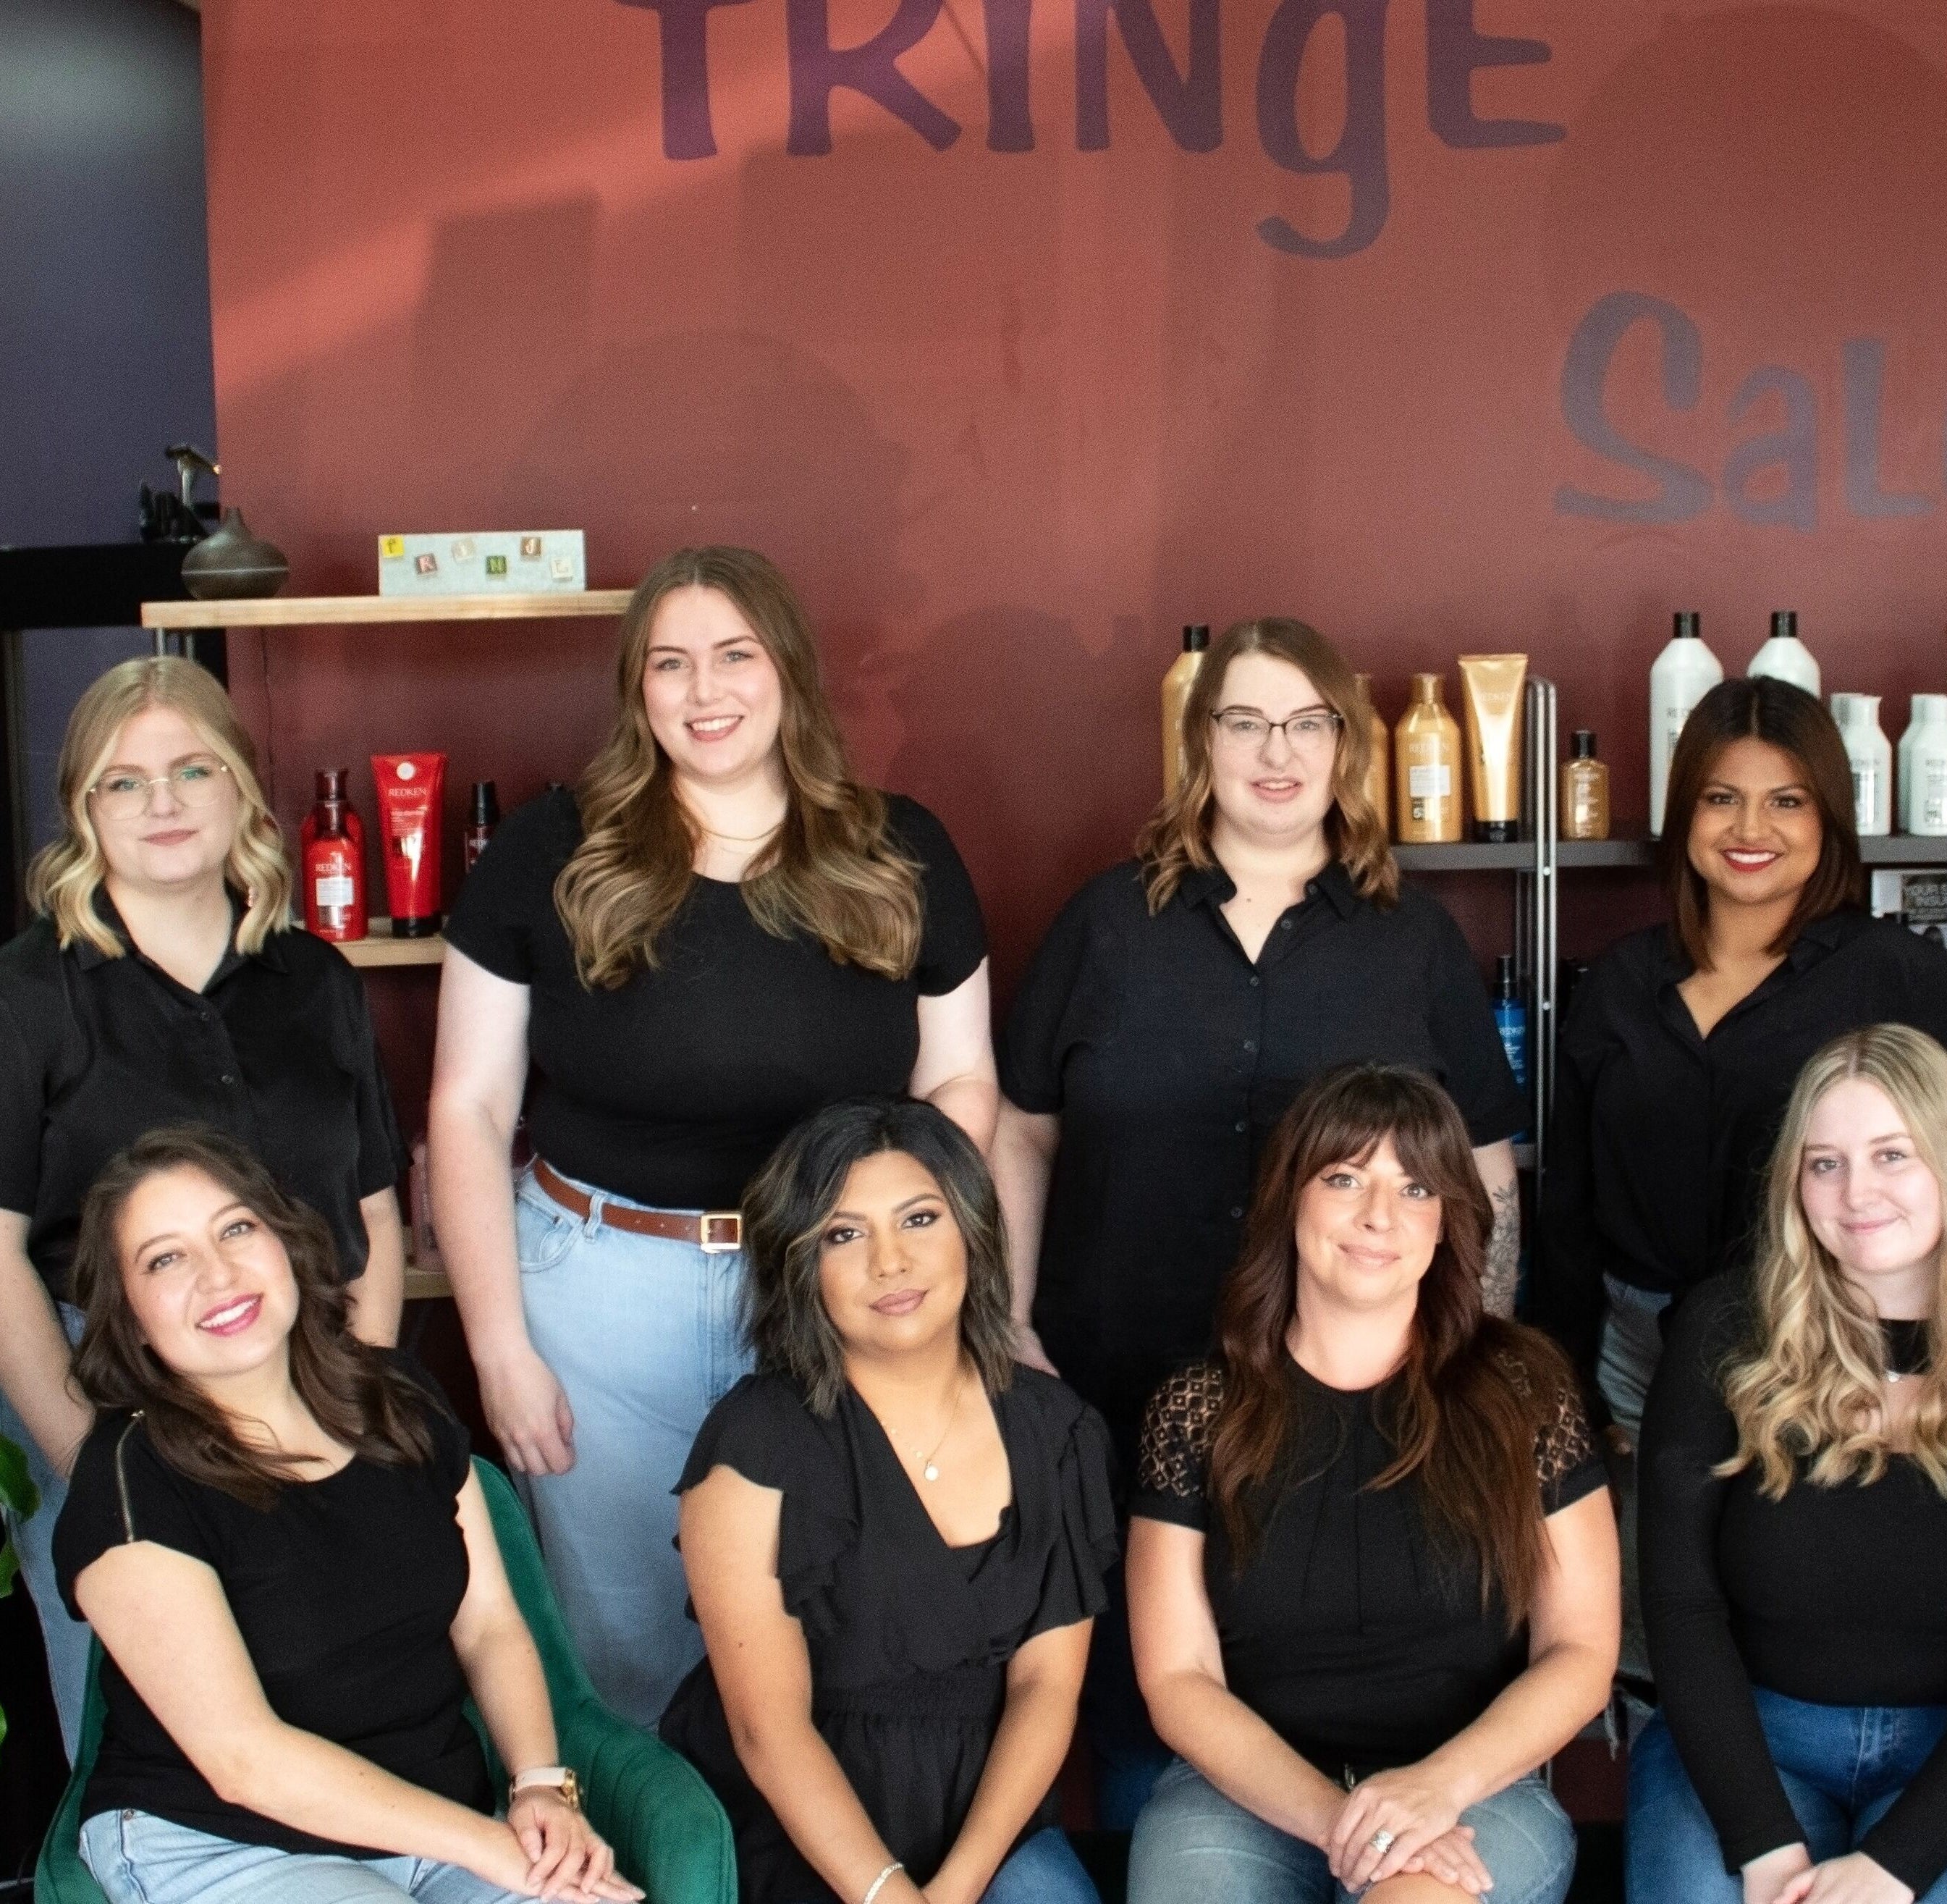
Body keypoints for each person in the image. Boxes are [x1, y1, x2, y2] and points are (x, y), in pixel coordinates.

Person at [430, 545, 996, 1724]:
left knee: (828, 1627)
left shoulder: (899, 851)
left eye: (735, 655)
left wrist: (921, 1284)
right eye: (669, 663)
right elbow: (468, 1106)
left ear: (787, 669)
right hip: (600, 1296)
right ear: (636, 688)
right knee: (623, 1653)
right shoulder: (551, 849)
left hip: (834, 1282)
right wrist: (498, 1347)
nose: (705, 691)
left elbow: (959, 1084)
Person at [994, 619, 1525, 1822]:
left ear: (1345, 744)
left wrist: (1474, 1345)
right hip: (1118, 1381)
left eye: (1304, 723)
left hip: (1350, 1410)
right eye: (1243, 723)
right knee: (1146, 1718)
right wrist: (1010, 1320)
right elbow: (1021, 1132)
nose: (1274, 753)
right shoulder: (1106, 925)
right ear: (1200, 744)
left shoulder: (1409, 939)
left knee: (1340, 1672)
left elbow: (1483, 1167)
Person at [54, 1126, 637, 1904]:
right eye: (165, 1258)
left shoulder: (397, 1398)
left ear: (287, 1241)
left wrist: (539, 1786)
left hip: (434, 1820)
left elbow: (489, 1625)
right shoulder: (130, 1476)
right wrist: (492, 1849)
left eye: (236, 1228)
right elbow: (243, 1758)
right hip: (222, 1840)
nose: (218, 1274)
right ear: (128, 1314)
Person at [0, 656, 405, 1752]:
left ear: (239, 786)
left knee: (339, 1713)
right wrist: (93, 1465)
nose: (163, 801)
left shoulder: (316, 979)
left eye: (191, 769)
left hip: (312, 1387)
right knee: (147, 1744)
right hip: (106, 1389)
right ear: (84, 809)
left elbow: (374, 1215)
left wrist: (353, 1411)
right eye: (124, 781)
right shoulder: (28, 994)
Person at [1634, 1024, 1947, 1904]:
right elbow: (1681, 1606)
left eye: (1892, 1154)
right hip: (1747, 1744)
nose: (1856, 1192)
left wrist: (1896, 1865)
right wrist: (1761, 1843)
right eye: (1824, 1163)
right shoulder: (1722, 1330)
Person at [1123, 1063, 1618, 1904]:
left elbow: (1579, 1649)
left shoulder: (1524, 1391)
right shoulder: (1198, 1411)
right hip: (1245, 1795)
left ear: (1446, 1222)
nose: (1378, 1214)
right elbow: (1179, 1677)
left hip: (1473, 1790)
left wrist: (1434, 1788)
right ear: (1289, 1199)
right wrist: (1343, 1820)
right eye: (1345, 1177)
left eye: (1415, 1187)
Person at [1535, 677, 1947, 1450]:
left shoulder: (1900, 977)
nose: (1750, 827)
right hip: (1635, 1356)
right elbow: (1569, 1206)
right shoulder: (1620, 981)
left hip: (1835, 1352)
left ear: (1828, 816)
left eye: (1787, 801)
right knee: (1643, 1534)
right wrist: (1564, 1384)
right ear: (1685, 813)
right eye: (1721, 798)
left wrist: (1934, 1362)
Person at [663, 1098, 1115, 1904]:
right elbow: (769, 1730)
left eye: (919, 1219)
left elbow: (1046, 1689)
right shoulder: (755, 1441)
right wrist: (888, 1893)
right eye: (844, 1234)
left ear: (972, 1229)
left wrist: (960, 1882)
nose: (890, 1261)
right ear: (800, 1266)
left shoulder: (1057, 1429)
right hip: (804, 1826)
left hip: (990, 1822)